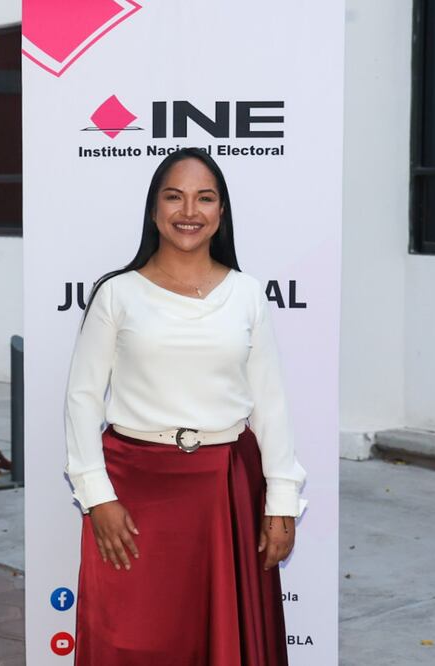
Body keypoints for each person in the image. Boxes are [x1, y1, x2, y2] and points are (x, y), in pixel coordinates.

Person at [64, 147, 306, 665]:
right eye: (174, 197)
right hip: (132, 491)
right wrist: (97, 497)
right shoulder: (117, 294)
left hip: (228, 489)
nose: (189, 211)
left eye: (205, 198)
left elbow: (270, 404)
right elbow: (82, 400)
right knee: (130, 641)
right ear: (154, 210)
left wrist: (281, 501)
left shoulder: (246, 294)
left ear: (221, 213)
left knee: (223, 643)